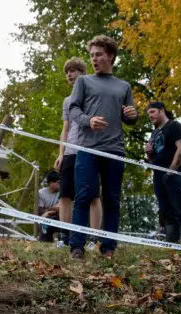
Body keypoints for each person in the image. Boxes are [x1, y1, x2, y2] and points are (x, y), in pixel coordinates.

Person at [68, 35, 138, 259]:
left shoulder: (124, 86)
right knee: (83, 196)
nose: (94, 59)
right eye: (92, 55)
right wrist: (88, 120)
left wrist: (132, 115)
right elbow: (73, 111)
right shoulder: (84, 81)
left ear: (110, 56)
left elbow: (129, 117)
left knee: (112, 199)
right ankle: (76, 246)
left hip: (115, 149)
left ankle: (108, 247)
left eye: (98, 55)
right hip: (88, 148)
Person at [54, 57, 102, 248]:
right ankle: (65, 237)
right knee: (65, 195)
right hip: (70, 152)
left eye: (73, 70)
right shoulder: (67, 101)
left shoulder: (94, 95)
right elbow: (65, 128)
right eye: (67, 72)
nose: (69, 75)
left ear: (83, 72)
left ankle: (94, 238)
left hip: (91, 150)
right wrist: (61, 153)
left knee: (92, 196)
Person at [144, 102, 181, 242]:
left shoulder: (174, 126)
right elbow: (153, 159)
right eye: (148, 114)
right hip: (158, 176)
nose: (150, 116)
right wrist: (148, 153)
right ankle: (172, 245)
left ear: (161, 110)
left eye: (152, 112)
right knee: (166, 211)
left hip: (174, 174)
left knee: (179, 208)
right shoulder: (155, 132)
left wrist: (171, 171)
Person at [38, 171, 62, 242]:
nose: (60, 185)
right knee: (45, 224)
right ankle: (44, 244)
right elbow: (40, 211)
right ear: (51, 183)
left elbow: (61, 208)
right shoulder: (41, 193)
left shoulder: (61, 193)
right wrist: (54, 208)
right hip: (45, 219)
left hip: (58, 218)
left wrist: (48, 211)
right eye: (58, 183)